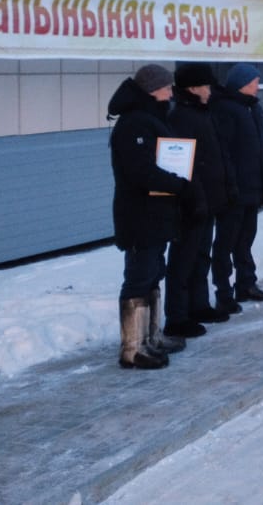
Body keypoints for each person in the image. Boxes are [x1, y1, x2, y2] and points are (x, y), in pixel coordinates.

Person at [107, 64, 189, 370]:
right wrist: (177, 183)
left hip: (157, 211)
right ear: (152, 89)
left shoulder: (150, 117)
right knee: (139, 275)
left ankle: (151, 336)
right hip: (139, 213)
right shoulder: (133, 124)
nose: (171, 92)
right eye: (166, 87)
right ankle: (132, 347)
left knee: (154, 270)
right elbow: (141, 171)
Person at [163, 63, 230, 338]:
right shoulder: (181, 117)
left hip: (208, 201)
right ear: (192, 88)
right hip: (190, 202)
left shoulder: (202, 113)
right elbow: (184, 164)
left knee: (201, 255)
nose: (210, 90)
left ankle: (198, 305)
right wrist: (194, 196)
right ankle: (177, 317)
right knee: (183, 259)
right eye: (206, 85)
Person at [210, 63, 263, 310]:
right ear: (242, 83)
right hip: (234, 190)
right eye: (254, 81)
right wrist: (228, 185)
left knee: (245, 240)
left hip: (252, 187)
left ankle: (246, 285)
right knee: (225, 242)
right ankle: (223, 292)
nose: (257, 85)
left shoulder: (254, 108)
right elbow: (224, 153)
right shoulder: (226, 109)